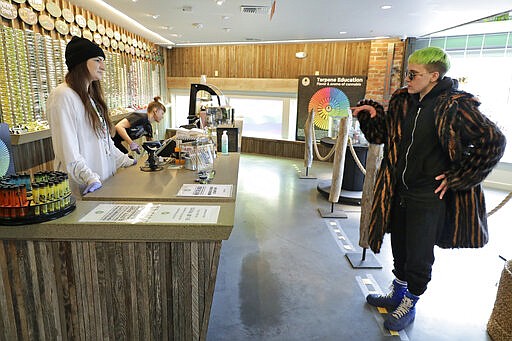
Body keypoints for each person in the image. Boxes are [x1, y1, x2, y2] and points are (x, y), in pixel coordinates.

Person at [351, 46, 506, 331]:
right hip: (399, 191)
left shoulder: (456, 105)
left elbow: (494, 141)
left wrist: (459, 176)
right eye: (406, 73)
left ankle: (411, 299)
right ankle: (397, 292)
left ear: (434, 76)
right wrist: (371, 115)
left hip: (429, 196)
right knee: (399, 246)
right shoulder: (403, 100)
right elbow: (382, 136)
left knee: (419, 253)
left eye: (413, 74)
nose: (407, 79)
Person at [46, 36, 136, 198]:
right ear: (80, 63)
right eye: (97, 60)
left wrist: (125, 160)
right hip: (83, 189)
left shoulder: (90, 98)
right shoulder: (63, 95)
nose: (103, 66)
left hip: (104, 185)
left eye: (103, 61)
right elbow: (68, 151)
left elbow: (104, 144)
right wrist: (90, 178)